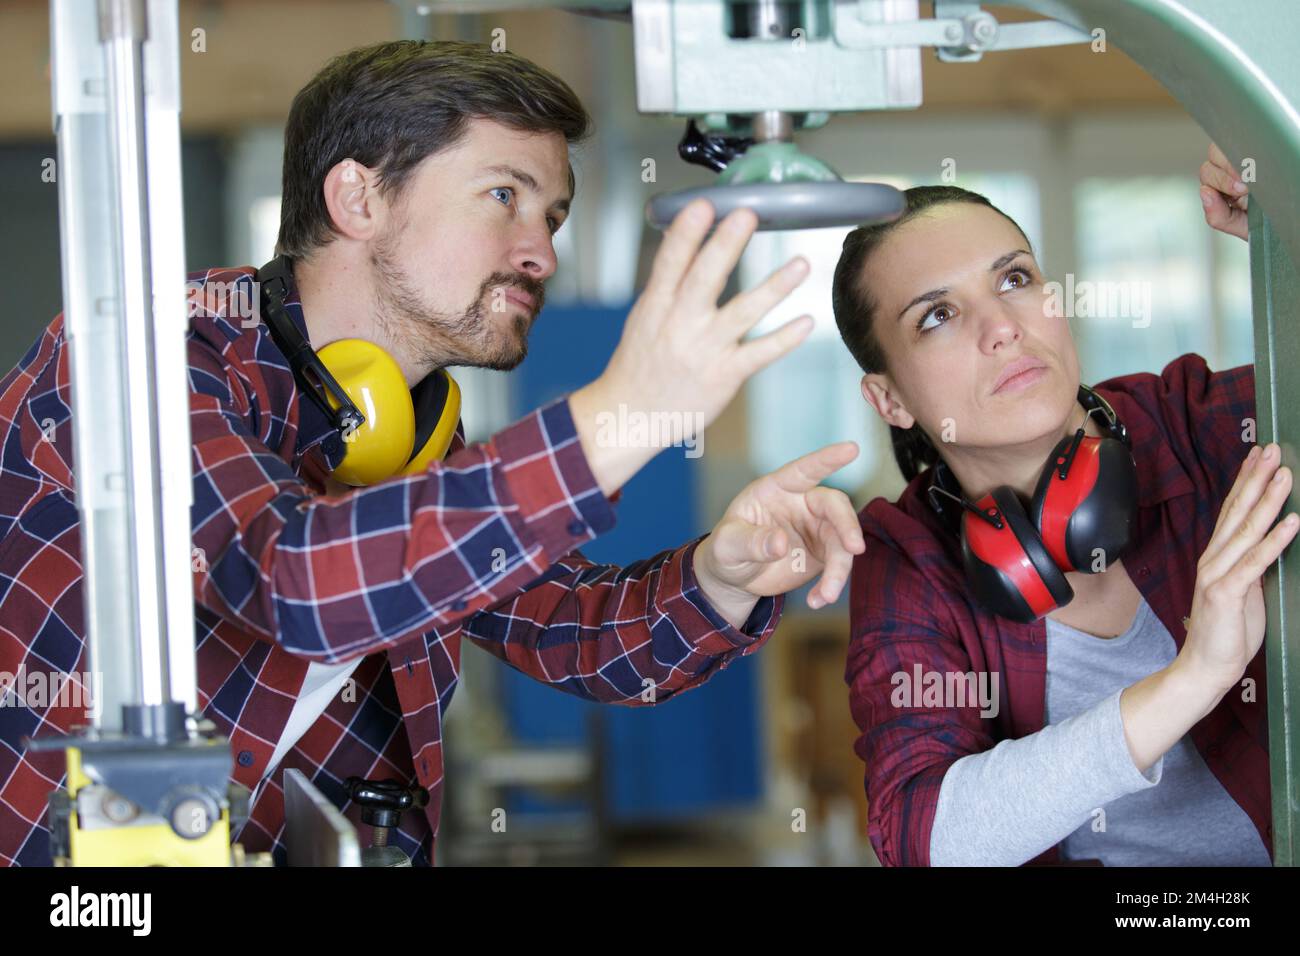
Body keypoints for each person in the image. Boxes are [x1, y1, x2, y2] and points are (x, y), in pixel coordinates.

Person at [0, 39, 865, 866]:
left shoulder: (417, 435)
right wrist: (624, 416)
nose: (541, 252)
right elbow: (292, 581)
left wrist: (724, 574)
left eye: (553, 216)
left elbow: (569, 628)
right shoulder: (137, 363)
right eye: (503, 196)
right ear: (359, 198)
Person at [834, 142, 1287, 865]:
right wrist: (1193, 676)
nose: (1002, 327)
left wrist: (1288, 236)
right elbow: (926, 838)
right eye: (937, 316)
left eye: (1014, 278)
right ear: (889, 398)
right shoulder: (907, 558)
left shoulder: (1192, 422)